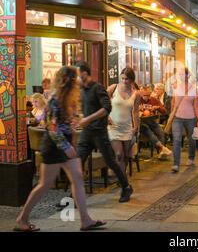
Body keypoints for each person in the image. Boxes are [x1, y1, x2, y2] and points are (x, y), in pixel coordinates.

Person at [15, 66, 106, 232]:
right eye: (75, 79)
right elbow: (52, 127)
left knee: (77, 179)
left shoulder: (66, 98)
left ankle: (85, 220)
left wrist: (74, 121)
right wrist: (66, 147)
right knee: (44, 184)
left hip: (65, 145)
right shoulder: (55, 99)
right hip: (54, 147)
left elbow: (63, 122)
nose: (78, 82)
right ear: (68, 81)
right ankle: (22, 218)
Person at [76, 62, 133, 203]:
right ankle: (73, 197)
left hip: (99, 133)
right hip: (86, 132)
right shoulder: (82, 90)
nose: (77, 78)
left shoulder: (98, 88)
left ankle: (126, 187)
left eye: (78, 75)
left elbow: (107, 108)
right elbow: (83, 109)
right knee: (77, 163)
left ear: (84, 73)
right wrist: (77, 116)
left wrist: (88, 119)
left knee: (111, 161)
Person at [107, 67, 141, 178]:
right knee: (119, 154)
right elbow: (102, 102)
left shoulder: (136, 94)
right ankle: (123, 180)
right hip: (113, 127)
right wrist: (106, 116)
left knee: (126, 156)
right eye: (122, 78)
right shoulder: (113, 88)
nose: (124, 81)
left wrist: (136, 127)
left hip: (127, 127)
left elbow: (135, 112)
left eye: (126, 79)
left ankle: (122, 178)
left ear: (132, 80)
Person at [169, 67, 198, 173]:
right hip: (177, 117)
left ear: (188, 75)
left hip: (190, 118)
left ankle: (191, 157)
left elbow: (196, 105)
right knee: (177, 139)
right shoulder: (175, 87)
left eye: (183, 74)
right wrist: (171, 115)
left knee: (191, 139)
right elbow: (173, 103)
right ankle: (176, 164)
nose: (181, 76)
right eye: (179, 74)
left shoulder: (194, 88)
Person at [138, 84, 172, 158]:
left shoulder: (154, 100)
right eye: (144, 95)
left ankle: (162, 153)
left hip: (151, 121)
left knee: (160, 133)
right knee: (149, 132)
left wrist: (158, 108)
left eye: (148, 95)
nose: (146, 97)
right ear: (141, 93)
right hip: (141, 123)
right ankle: (162, 149)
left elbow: (164, 111)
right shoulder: (137, 100)